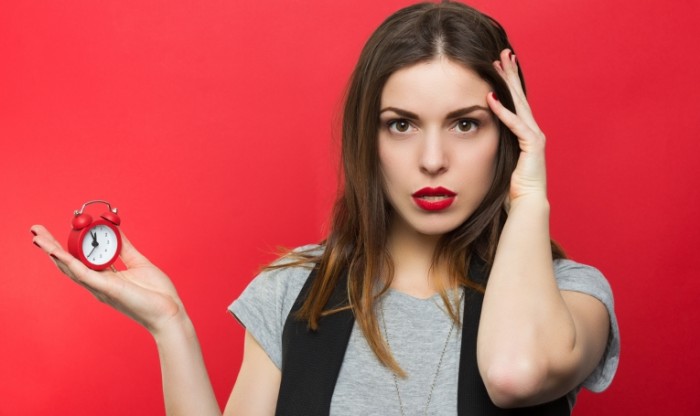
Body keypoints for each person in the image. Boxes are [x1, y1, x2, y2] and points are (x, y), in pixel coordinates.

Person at [31, 1, 619, 415]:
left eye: (467, 124)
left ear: (510, 136)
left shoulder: (570, 297)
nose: (433, 159)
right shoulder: (294, 292)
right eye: (402, 125)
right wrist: (170, 327)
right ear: (369, 137)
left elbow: (515, 373)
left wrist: (528, 194)